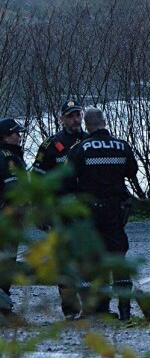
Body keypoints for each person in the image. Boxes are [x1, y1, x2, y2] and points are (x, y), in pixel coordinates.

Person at [66, 108, 138, 321]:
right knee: (118, 259)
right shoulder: (121, 146)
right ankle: (125, 310)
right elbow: (132, 172)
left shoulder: (80, 148)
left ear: (86, 124)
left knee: (89, 260)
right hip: (115, 211)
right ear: (104, 122)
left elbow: (68, 179)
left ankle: (92, 310)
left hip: (89, 212)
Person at [32, 97, 86, 317]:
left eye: (78, 115)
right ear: (62, 119)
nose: (75, 119)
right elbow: (37, 179)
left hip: (85, 211)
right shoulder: (51, 145)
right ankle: (71, 309)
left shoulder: (89, 140)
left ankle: (94, 307)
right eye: (71, 116)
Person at [0, 117, 26, 313]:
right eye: (16, 133)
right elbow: (13, 186)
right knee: (7, 259)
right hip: (8, 215)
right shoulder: (8, 156)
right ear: (5, 136)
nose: (19, 136)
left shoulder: (12, 153)